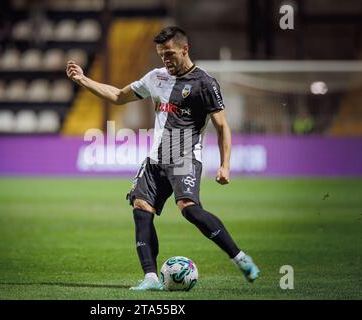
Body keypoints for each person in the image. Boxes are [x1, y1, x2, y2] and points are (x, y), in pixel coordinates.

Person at [66, 26, 259, 290]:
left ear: (185, 49)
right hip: (155, 158)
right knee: (141, 209)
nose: (165, 60)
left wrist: (225, 165)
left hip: (184, 156)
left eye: (169, 54)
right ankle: (150, 278)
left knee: (189, 209)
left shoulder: (205, 83)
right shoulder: (156, 77)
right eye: (161, 55)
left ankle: (239, 258)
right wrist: (83, 80)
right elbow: (118, 96)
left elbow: (222, 126)